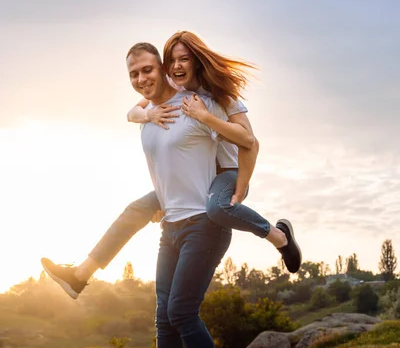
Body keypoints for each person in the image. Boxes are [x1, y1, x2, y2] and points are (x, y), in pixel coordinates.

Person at [41, 31, 301, 299]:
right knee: (137, 209)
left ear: (197, 61)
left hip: (227, 173)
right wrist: (149, 114)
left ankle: (279, 237)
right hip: (196, 176)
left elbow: (250, 143)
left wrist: (241, 184)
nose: (177, 66)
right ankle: (79, 276)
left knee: (219, 207)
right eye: (172, 60)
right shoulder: (173, 87)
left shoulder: (221, 96)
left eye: (184, 59)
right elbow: (132, 113)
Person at [125, 41, 233, 348]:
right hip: (170, 225)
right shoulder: (149, 116)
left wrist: (239, 190)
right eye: (134, 74)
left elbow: (241, 142)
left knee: (182, 312)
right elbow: (163, 165)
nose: (142, 78)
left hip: (204, 222)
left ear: (164, 70)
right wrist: (144, 113)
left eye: (148, 70)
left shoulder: (197, 104)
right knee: (163, 319)